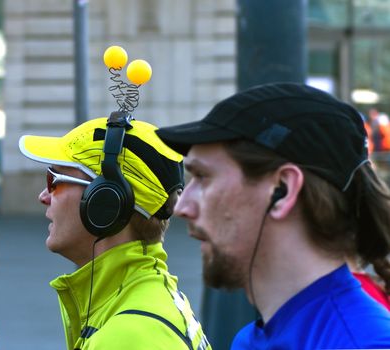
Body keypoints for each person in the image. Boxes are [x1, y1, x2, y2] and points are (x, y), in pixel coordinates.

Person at [155, 82, 390, 349]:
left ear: (283, 189)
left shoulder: (364, 344)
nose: (182, 207)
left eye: (203, 177)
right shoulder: (249, 340)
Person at [19, 113, 211, 349]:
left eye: (54, 180)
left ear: (105, 201)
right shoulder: (143, 304)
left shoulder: (128, 335)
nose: (44, 196)